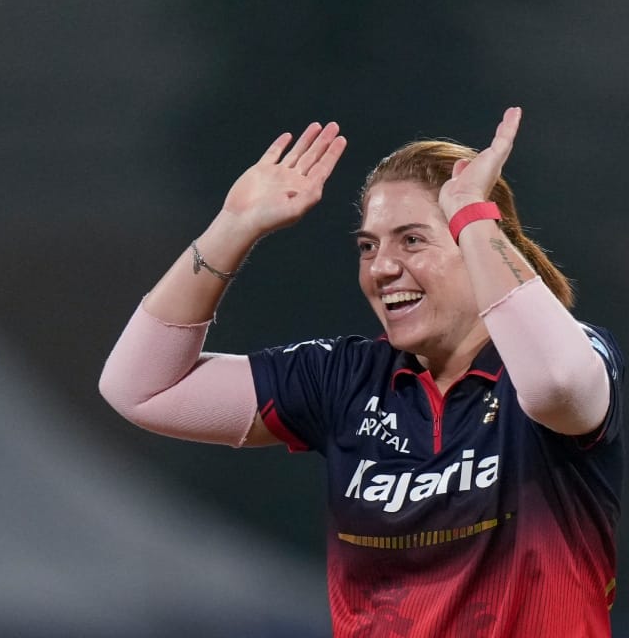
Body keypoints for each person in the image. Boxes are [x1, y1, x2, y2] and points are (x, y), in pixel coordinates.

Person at [99, 112, 622, 636]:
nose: (381, 268)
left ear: (480, 243)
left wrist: (472, 215)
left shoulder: (571, 354)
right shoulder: (345, 378)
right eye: (369, 246)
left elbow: (556, 383)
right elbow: (140, 388)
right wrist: (232, 227)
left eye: (411, 240)